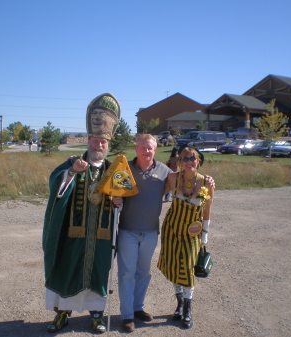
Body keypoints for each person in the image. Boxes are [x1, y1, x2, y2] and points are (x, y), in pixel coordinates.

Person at [42, 93, 121, 334]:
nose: (99, 145)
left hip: (101, 236)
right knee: (67, 270)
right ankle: (62, 314)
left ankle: (96, 314)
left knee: (97, 274)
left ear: (108, 145)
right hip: (72, 235)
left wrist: (120, 202)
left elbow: (126, 197)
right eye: (95, 140)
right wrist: (73, 173)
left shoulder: (114, 170)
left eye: (103, 142)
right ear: (88, 140)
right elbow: (56, 184)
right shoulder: (73, 163)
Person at [114, 134, 172, 333]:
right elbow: (110, 189)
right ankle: (127, 315)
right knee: (126, 274)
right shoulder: (125, 169)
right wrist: (115, 198)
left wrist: (206, 180)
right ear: (136, 148)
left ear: (155, 149)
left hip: (150, 232)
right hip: (128, 230)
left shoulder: (164, 170)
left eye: (150, 148)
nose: (147, 151)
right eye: (143, 147)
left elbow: (184, 182)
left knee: (143, 273)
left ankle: (138, 308)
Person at [157, 143, 215, 329]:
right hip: (172, 229)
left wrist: (205, 235)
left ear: (198, 161)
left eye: (193, 158)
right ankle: (179, 304)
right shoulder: (173, 178)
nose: (189, 162)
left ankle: (188, 309)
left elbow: (207, 212)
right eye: (185, 159)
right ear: (180, 162)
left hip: (192, 233)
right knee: (175, 266)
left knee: (188, 268)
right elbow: (155, 195)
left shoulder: (207, 182)